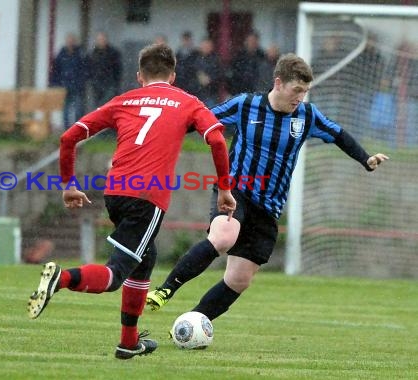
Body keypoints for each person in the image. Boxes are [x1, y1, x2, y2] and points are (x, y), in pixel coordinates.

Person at [26, 43, 236, 359]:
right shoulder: (188, 102)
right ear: (174, 75)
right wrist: (224, 188)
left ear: (140, 76)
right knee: (116, 273)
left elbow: (69, 137)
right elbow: (218, 139)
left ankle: (129, 342)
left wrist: (69, 184)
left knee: (144, 258)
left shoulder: (124, 100)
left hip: (115, 192)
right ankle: (62, 278)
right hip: (146, 197)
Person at [146, 53, 389, 326]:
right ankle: (166, 289)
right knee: (224, 237)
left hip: (269, 206)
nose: (300, 97)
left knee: (239, 280)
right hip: (235, 192)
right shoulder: (246, 104)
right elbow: (201, 121)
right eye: (296, 90)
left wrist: (366, 159)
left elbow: (339, 135)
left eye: (305, 91)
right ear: (279, 83)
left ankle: (192, 324)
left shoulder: (307, 115)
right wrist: (157, 138)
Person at [50, 33, 88, 129]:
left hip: (77, 86)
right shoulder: (61, 54)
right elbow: (55, 70)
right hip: (65, 86)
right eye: (68, 40)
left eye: (72, 40)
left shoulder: (80, 54)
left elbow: (85, 69)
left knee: (78, 109)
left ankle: (78, 129)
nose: (70, 42)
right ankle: (67, 129)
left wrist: (81, 82)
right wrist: (55, 83)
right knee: (66, 109)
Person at [87, 32, 123, 108]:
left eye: (103, 39)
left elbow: (118, 68)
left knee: (107, 103)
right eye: (99, 39)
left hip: (109, 83)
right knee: (97, 105)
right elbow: (89, 67)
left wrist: (116, 81)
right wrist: (91, 79)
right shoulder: (92, 53)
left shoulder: (113, 53)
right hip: (96, 83)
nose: (101, 41)